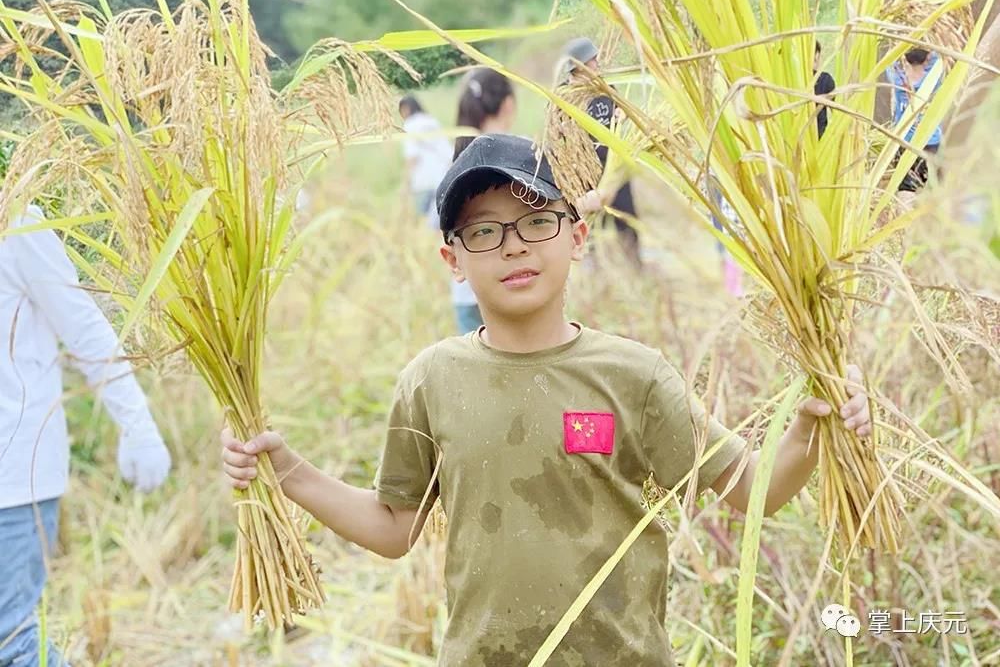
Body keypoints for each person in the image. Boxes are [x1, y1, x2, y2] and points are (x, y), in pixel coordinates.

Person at [220, 133, 874, 666]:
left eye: (536, 220)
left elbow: (751, 488)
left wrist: (814, 427)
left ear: (576, 237)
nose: (513, 246)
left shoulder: (634, 375)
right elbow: (395, 529)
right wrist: (289, 471)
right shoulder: (431, 381)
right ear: (453, 262)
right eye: (483, 232)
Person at [1, 205, 172, 666]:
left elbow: (86, 330)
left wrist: (138, 424)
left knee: (11, 644)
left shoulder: (16, 220)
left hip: (12, 481)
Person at [445, 68, 517, 334]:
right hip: (516, 284)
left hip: (468, 288)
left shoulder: (452, 157)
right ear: (508, 105)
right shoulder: (521, 154)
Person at [561, 37, 642, 269]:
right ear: (578, 67)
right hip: (586, 173)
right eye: (592, 61)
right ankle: (594, 278)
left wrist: (622, 116)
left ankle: (635, 268)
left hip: (613, 170)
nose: (597, 64)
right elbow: (558, 138)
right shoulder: (564, 96)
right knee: (591, 229)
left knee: (628, 221)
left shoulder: (605, 88)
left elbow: (621, 110)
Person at [887, 47, 943, 192]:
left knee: (906, 188)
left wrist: (900, 46)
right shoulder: (934, 77)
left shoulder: (898, 79)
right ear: (927, 59)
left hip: (904, 141)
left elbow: (889, 60)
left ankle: (906, 213)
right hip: (930, 141)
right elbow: (939, 56)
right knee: (932, 187)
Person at [399, 95, 452, 218]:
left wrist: (405, 184)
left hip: (423, 180)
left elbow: (412, 157)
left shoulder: (410, 125)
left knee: (425, 222)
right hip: (443, 175)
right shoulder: (432, 121)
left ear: (405, 109)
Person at [814, 41, 836, 138]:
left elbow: (836, 112)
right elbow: (837, 113)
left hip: (820, 141)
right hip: (819, 141)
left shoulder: (825, 80)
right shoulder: (826, 79)